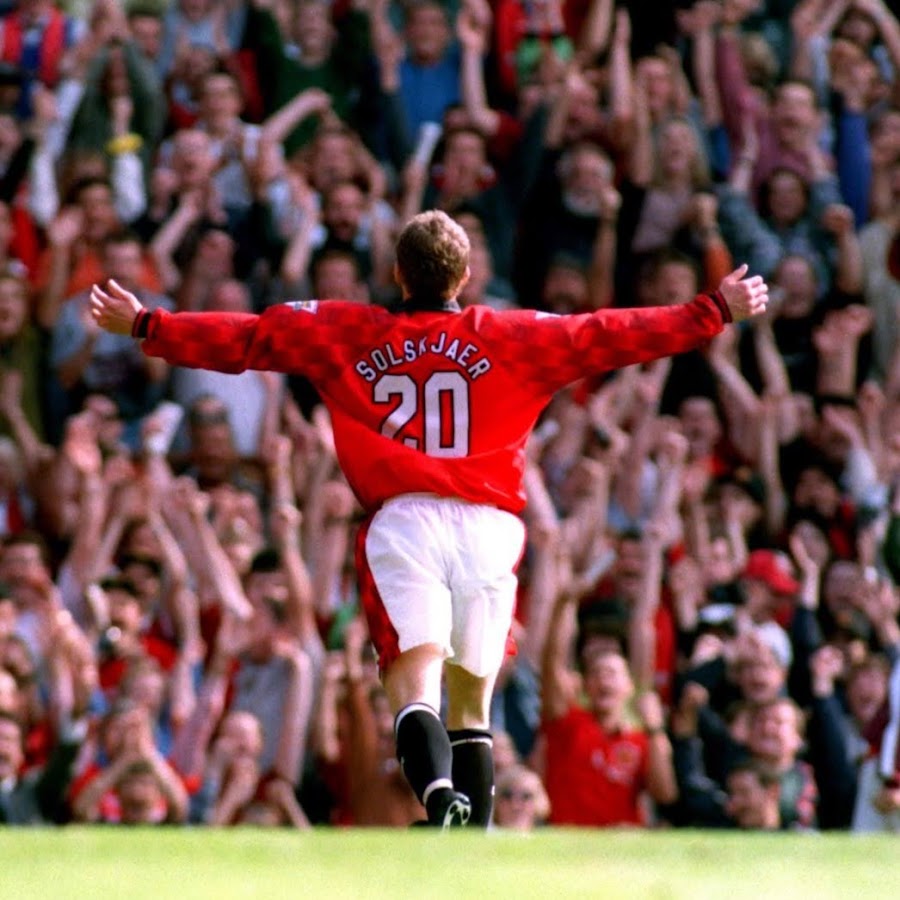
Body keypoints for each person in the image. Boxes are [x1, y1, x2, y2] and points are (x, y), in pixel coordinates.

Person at [89, 208, 768, 830]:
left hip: (405, 521)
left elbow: (249, 337)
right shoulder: (514, 335)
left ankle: (439, 796)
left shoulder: (347, 330)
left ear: (397, 273)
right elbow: (611, 333)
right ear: (465, 277)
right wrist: (711, 310)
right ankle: (473, 837)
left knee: (412, 685)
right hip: (490, 528)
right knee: (472, 703)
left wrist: (150, 325)